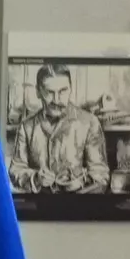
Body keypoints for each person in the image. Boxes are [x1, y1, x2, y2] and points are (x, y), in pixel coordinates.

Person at [9, 64, 109, 193]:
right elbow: (16, 170)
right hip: (38, 203)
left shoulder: (89, 123)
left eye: (63, 91)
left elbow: (101, 175)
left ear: (70, 89)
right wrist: (36, 179)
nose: (56, 100)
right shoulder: (26, 127)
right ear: (38, 92)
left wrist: (81, 182)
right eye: (49, 92)